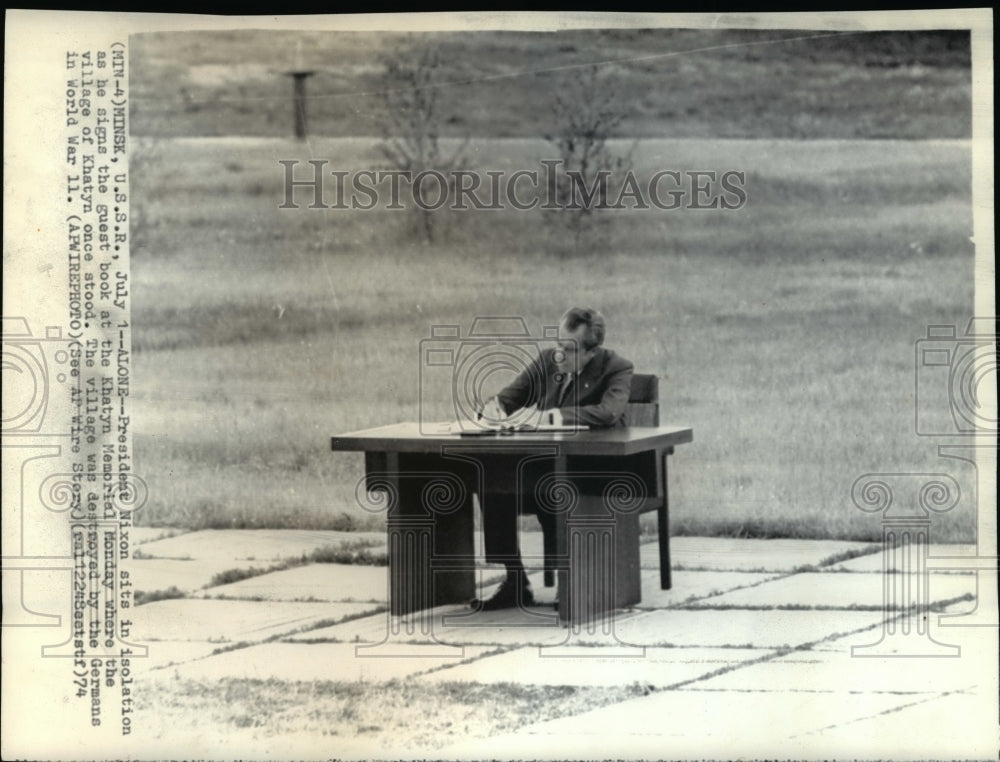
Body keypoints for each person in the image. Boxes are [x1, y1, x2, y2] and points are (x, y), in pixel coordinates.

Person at [473, 307, 634, 610]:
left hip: (591, 474)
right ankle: (515, 581)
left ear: (592, 351)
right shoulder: (549, 360)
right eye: (559, 344)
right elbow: (509, 398)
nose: (560, 354)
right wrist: (494, 408)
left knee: (555, 487)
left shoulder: (617, 367)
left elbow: (609, 412)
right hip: (543, 467)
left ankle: (571, 581)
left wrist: (552, 416)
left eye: (569, 349)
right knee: (493, 485)